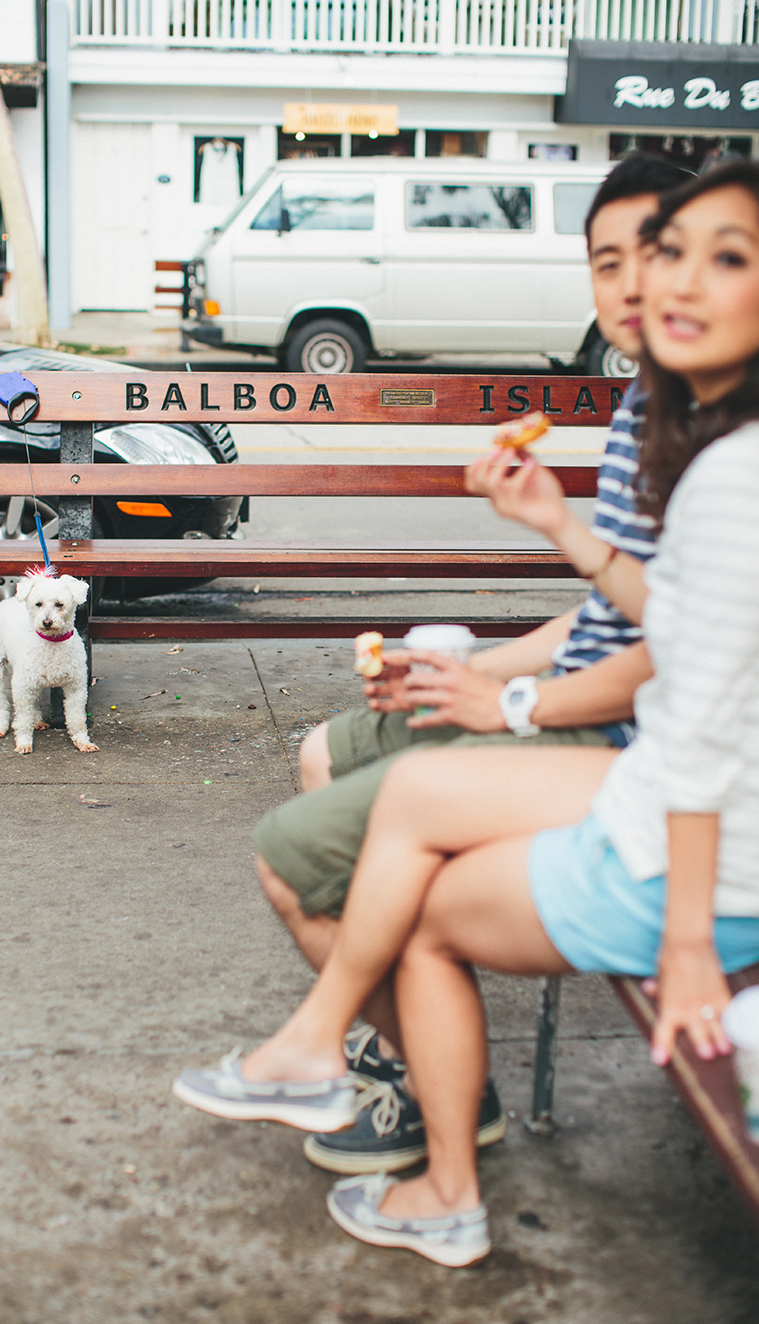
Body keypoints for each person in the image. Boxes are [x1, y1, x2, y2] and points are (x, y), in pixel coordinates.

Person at [176, 159, 759, 1266]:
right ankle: (356, 1069)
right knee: (370, 803)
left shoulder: (730, 460)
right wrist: (560, 536)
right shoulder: (702, 430)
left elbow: (692, 704)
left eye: (708, 256)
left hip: (700, 829)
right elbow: (680, 623)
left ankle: (390, 1110)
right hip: (673, 795)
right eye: (633, 258)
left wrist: (516, 701)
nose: (656, 284)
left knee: (401, 885)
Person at [243, 155, 690, 1175]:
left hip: (619, 743)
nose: (626, 287)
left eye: (655, 258)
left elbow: (682, 649)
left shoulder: (709, 433)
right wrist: (472, 670)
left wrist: (510, 703)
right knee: (322, 754)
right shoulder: (640, 410)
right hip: (572, 706)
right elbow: (604, 614)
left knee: (339, 848)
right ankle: (413, 1050)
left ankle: (422, 1077)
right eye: (603, 261)